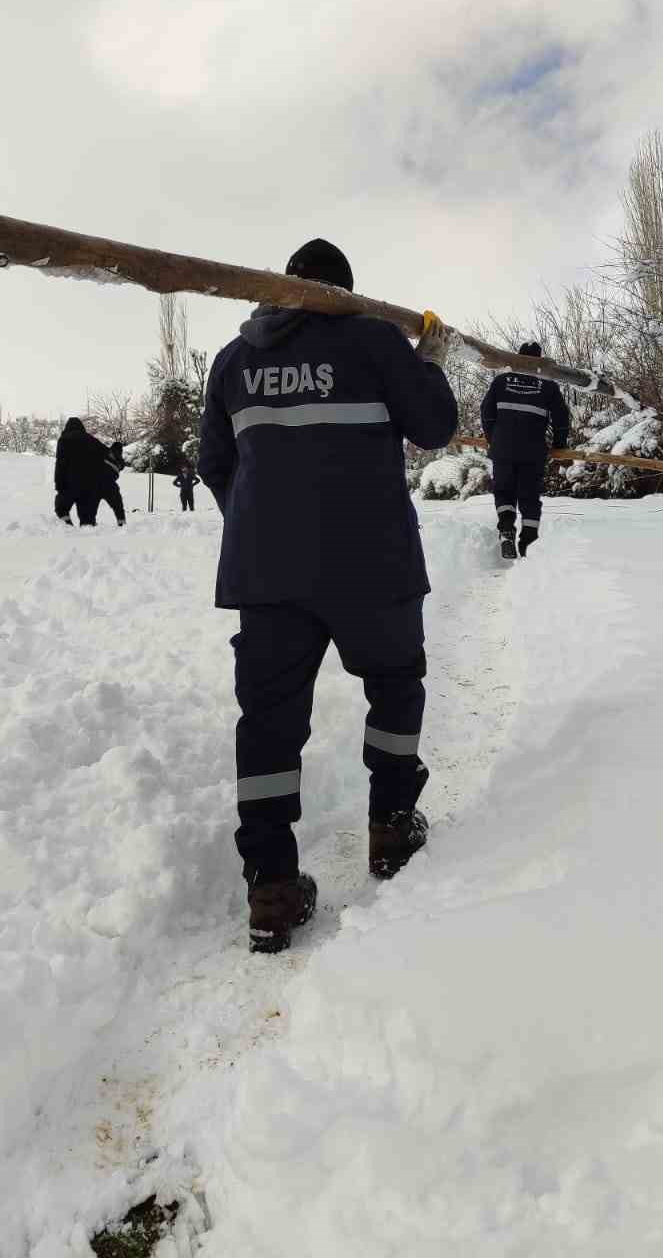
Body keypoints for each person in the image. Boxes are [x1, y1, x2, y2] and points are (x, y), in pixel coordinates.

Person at [199, 237, 458, 953]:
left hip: (266, 576)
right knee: (396, 688)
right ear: (346, 292)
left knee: (269, 722)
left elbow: (213, 464)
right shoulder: (374, 341)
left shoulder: (233, 359)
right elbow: (436, 427)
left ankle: (272, 886)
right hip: (372, 564)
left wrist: (263, 526)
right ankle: (391, 827)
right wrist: (429, 360)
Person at [480, 341, 570, 560]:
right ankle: (528, 543)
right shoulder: (548, 386)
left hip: (502, 450)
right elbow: (561, 418)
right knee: (529, 494)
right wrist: (559, 443)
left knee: (504, 491)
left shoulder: (500, 382)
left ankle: (507, 531)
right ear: (540, 361)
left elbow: (486, 412)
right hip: (533, 451)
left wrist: (494, 439)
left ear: (517, 359)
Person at [54, 417, 113, 527]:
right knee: (87, 516)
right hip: (89, 484)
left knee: (61, 507)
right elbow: (107, 454)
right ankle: (88, 535)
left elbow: (60, 464)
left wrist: (59, 485)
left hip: (69, 484)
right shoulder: (90, 439)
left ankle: (68, 529)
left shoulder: (63, 440)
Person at [99, 440, 126, 526]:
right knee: (118, 505)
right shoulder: (120, 461)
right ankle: (121, 522)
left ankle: (88, 523)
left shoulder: (104, 453)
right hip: (109, 485)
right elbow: (121, 467)